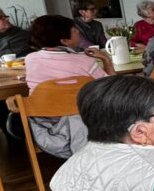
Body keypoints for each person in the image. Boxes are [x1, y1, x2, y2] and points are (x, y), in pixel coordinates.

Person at [24, 14, 115, 158]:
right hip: (83, 122)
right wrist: (106, 59)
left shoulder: (30, 60)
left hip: (46, 124)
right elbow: (112, 86)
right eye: (74, 30)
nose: (78, 32)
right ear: (64, 41)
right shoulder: (83, 61)